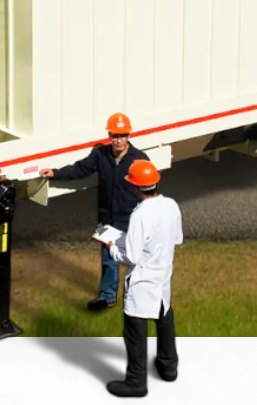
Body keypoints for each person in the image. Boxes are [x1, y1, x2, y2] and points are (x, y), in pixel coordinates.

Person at [38, 112, 149, 310]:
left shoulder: (139, 159)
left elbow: (148, 189)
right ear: (109, 135)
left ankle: (139, 298)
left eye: (123, 135)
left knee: (138, 261)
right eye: (115, 135)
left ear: (129, 136)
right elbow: (80, 169)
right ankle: (107, 298)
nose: (119, 140)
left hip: (132, 220)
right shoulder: (100, 154)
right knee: (109, 260)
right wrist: (55, 173)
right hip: (108, 219)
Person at [102, 159, 182, 396]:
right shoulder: (171, 205)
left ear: (135, 187)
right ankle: (170, 369)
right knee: (165, 320)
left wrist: (112, 246)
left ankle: (136, 382)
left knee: (135, 335)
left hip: (143, 282)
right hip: (163, 277)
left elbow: (132, 256)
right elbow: (176, 238)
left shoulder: (140, 215)